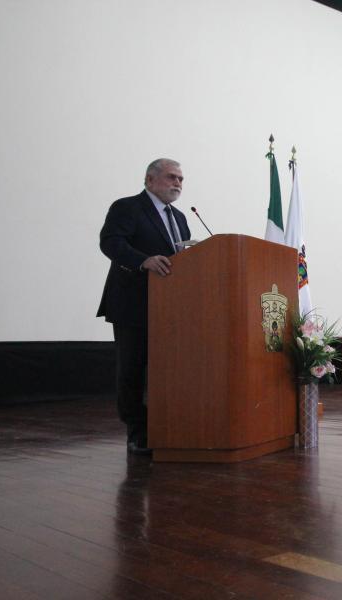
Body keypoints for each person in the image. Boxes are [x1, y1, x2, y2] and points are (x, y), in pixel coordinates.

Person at [97, 158, 191, 455]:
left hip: (169, 307)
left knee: (168, 369)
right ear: (150, 180)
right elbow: (110, 243)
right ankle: (137, 432)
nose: (178, 183)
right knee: (132, 369)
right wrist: (142, 260)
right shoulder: (126, 207)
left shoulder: (179, 217)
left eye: (180, 179)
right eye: (171, 177)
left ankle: (167, 426)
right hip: (132, 303)